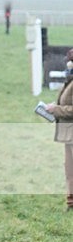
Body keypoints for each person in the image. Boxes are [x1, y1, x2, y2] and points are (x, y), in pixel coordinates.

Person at [45, 48, 73, 209]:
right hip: (68, 133)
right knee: (69, 170)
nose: (68, 65)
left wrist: (56, 110)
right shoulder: (69, 80)